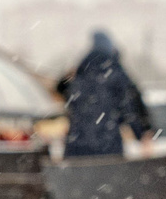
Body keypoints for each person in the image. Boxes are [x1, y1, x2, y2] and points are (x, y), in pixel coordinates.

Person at [61, 29, 153, 158]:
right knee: (108, 176)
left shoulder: (80, 73)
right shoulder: (116, 73)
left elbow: (65, 96)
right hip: (108, 146)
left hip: (77, 147)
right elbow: (131, 107)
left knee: (80, 177)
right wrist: (143, 134)